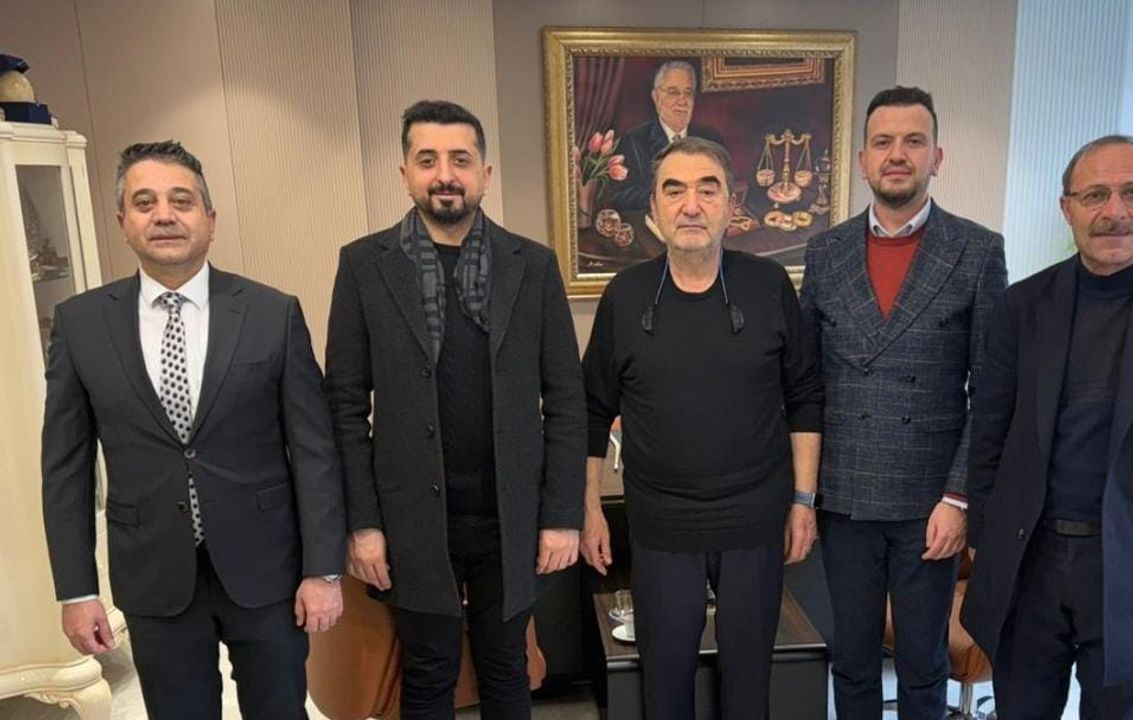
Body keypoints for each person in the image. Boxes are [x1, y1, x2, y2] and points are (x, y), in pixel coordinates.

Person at [41, 140, 346, 720]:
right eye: (145, 202)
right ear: (123, 222)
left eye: (181, 201)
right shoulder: (81, 324)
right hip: (152, 574)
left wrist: (323, 571)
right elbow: (64, 470)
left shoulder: (271, 313)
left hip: (268, 571)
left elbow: (315, 452)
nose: (164, 215)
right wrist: (77, 590)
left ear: (209, 219)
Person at [960, 135, 1133, 720]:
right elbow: (989, 427)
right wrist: (984, 536)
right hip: (1030, 558)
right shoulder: (1021, 306)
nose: (1114, 211)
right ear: (1067, 208)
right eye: (1095, 195)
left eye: (1132, 193)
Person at [324, 99, 586, 719]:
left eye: (460, 160)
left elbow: (566, 400)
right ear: (405, 174)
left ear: (485, 174)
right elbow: (343, 407)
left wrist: (561, 515)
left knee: (507, 668)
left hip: (511, 517)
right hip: (411, 519)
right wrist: (363, 524)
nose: (445, 174)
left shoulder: (532, 265)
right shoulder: (363, 265)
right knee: (428, 673)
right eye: (428, 160)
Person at [580, 136, 823, 720]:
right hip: (661, 525)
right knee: (665, 687)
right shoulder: (625, 296)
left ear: (731, 204)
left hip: (755, 521)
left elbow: (805, 398)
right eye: (674, 190)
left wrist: (803, 501)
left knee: (748, 689)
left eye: (707, 189)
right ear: (654, 209)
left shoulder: (768, 286)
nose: (691, 205)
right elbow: (590, 410)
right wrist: (588, 509)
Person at [798, 85, 1008, 719]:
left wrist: (959, 497)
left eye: (914, 141)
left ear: (936, 157)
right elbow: (806, 381)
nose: (898, 154)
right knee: (852, 659)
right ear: (863, 160)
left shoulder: (977, 250)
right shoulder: (825, 251)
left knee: (923, 664)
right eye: (883, 142)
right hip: (846, 495)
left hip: (930, 502)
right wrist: (803, 494)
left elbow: (991, 391)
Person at [610, 60, 727, 212]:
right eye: (673, 93)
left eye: (688, 93)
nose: (682, 101)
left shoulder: (711, 139)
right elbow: (618, 198)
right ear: (656, 97)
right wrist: (670, 196)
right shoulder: (632, 141)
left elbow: (724, 188)